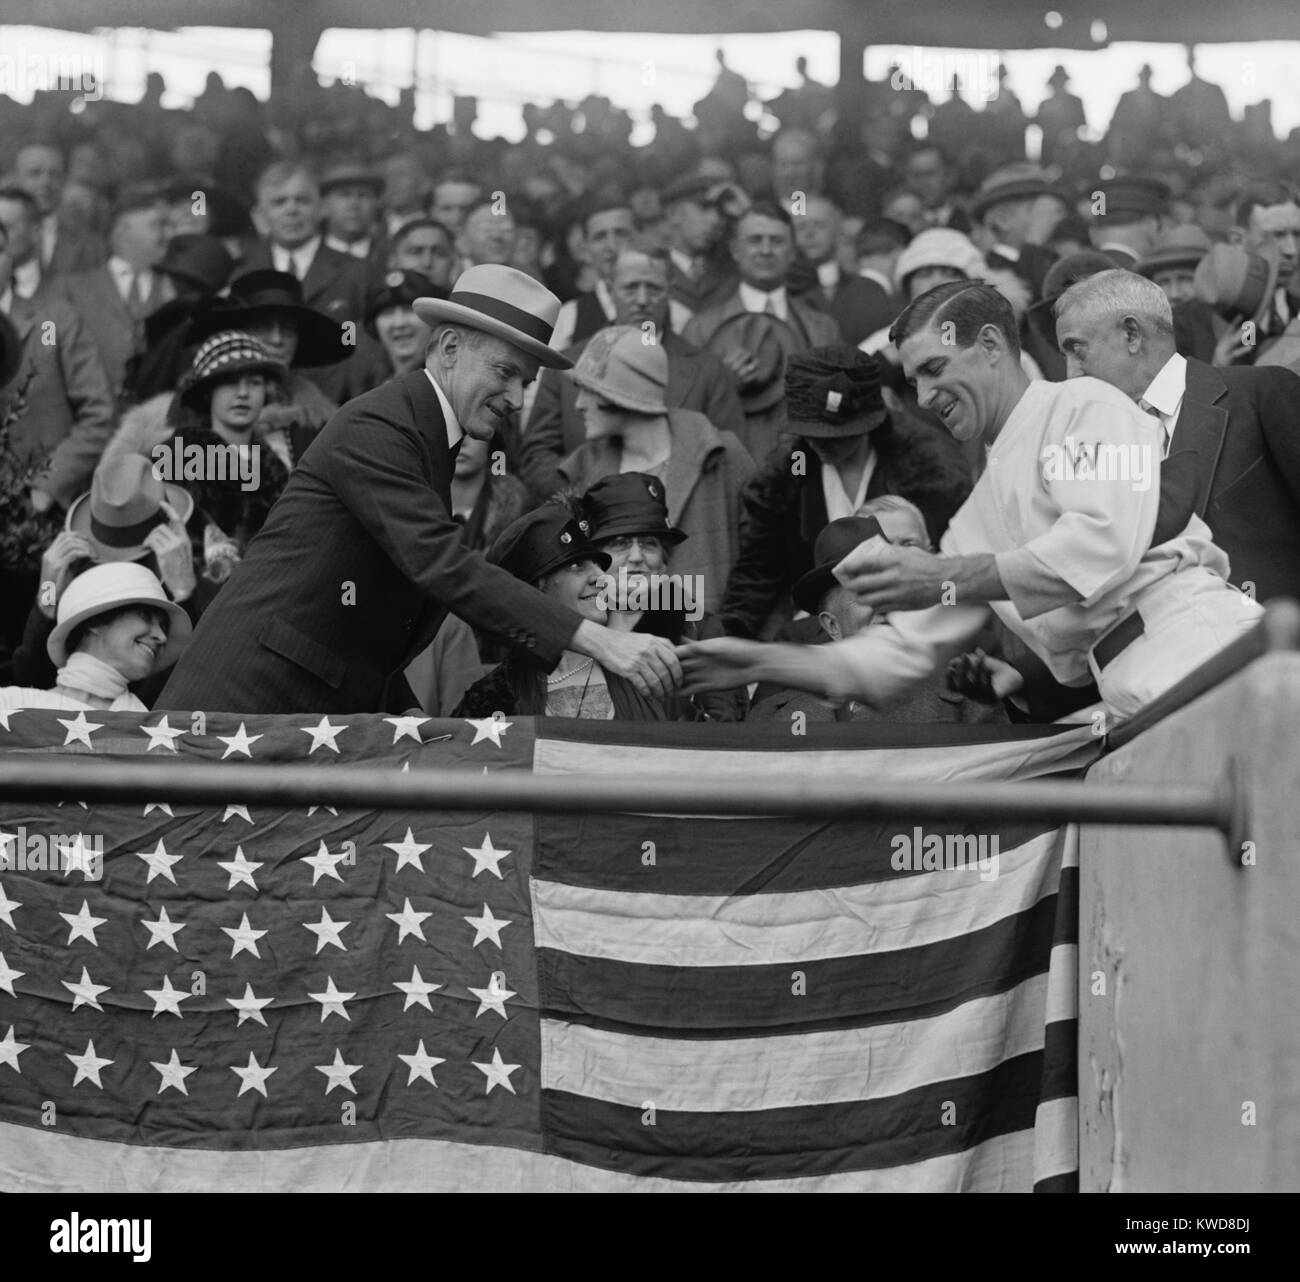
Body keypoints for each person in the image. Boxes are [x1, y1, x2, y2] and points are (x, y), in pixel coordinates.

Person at [680, 281, 1263, 724]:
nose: (924, 396)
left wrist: (938, 574)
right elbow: (899, 658)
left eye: (934, 369)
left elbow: (1100, 543)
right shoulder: (976, 514)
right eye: (911, 382)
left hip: (1196, 645)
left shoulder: (1083, 404)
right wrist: (760, 661)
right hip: (1128, 692)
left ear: (989, 345)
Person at [156, 264, 680, 715]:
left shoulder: (428, 435)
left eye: (528, 381)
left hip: (294, 714)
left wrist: (401, 706)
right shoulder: (381, 426)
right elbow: (440, 563)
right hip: (238, 704)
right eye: (506, 372)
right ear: (449, 347)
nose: (518, 398)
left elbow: (369, 613)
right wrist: (595, 637)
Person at [1054, 269, 1300, 604]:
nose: (1070, 374)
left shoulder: (1259, 393)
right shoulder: (1093, 450)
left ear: (1131, 334)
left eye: (1077, 350)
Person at [717, 347, 970, 640]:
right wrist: (728, 637)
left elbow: (961, 562)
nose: (820, 443)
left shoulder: (929, 468)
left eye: (836, 435)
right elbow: (757, 571)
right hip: (825, 628)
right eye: (811, 432)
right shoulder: (790, 474)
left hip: (919, 625)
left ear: (869, 423)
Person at [519, 239, 743, 501]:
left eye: (654, 288)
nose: (642, 300)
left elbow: (728, 458)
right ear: (610, 288)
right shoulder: (568, 365)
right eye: (630, 287)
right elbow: (536, 456)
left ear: (670, 290)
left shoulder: (706, 369)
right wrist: (589, 499)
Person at [556, 325, 754, 618]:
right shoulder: (583, 471)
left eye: (589, 390)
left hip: (713, 646)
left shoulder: (721, 455)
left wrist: (741, 635)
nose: (578, 405)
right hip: (623, 650)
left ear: (620, 395)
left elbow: (767, 560)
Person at [746, 509, 1006, 726]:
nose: (884, 606)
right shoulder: (774, 717)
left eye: (891, 591)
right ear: (832, 626)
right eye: (865, 594)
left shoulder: (968, 701)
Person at [452, 501, 687, 721]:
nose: (601, 577)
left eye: (598, 565)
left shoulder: (646, 669)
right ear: (536, 589)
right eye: (577, 566)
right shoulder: (495, 696)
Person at [683, 201, 841, 460]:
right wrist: (723, 387)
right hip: (733, 469)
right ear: (735, 250)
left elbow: (842, 401)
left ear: (792, 252)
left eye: (776, 241)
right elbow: (685, 414)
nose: (766, 251)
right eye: (755, 240)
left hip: (806, 470)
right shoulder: (701, 328)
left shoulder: (822, 327)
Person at [0, 561, 189, 712]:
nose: (162, 636)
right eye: (145, 616)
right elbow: (28, 666)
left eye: (164, 626)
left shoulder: (153, 738)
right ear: (95, 622)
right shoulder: (9, 706)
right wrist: (48, 591)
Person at [365, 269, 439, 378]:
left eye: (409, 310)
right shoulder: (366, 384)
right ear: (373, 326)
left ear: (433, 321)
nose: (399, 323)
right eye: (388, 313)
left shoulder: (449, 383)